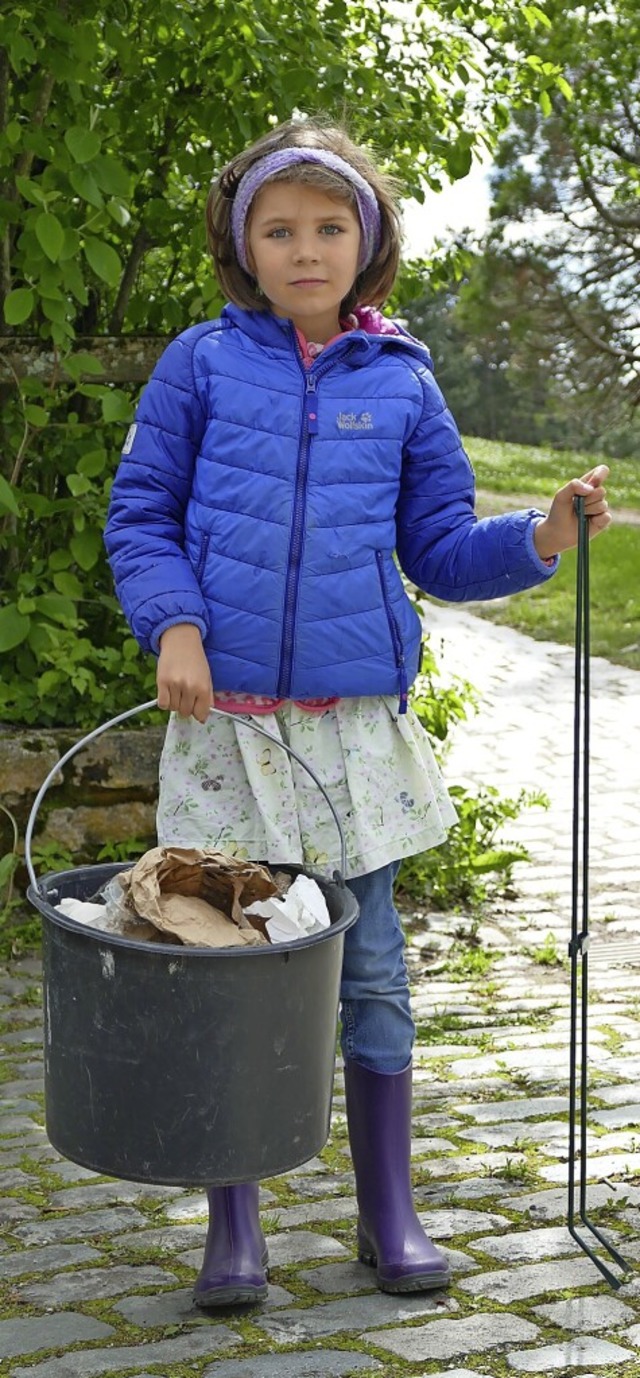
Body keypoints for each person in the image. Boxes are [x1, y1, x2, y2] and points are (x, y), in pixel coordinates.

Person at [104, 116, 611, 1308]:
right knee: (226, 963)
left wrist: (538, 536)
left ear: (368, 239)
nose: (305, 248)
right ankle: (234, 1233)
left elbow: (439, 545)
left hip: (349, 735)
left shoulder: (403, 381)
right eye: (278, 228)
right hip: (226, 728)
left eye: (330, 226)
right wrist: (176, 624)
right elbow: (141, 512)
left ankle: (390, 1213)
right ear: (244, 244)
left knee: (370, 972)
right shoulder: (200, 364)